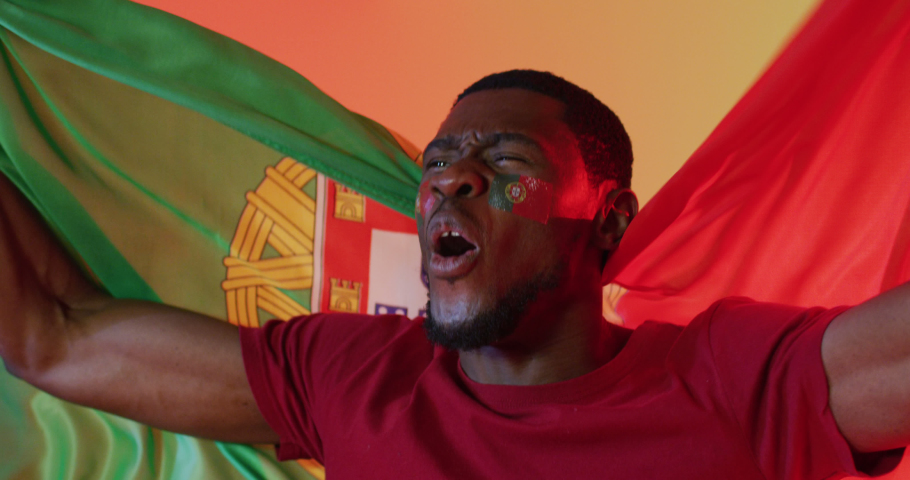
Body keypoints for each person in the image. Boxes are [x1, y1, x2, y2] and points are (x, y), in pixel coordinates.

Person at [0, 69, 907, 478]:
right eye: (440, 159)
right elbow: (53, 337)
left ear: (611, 218)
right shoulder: (353, 376)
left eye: (506, 160)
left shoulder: (737, 380)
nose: (451, 178)